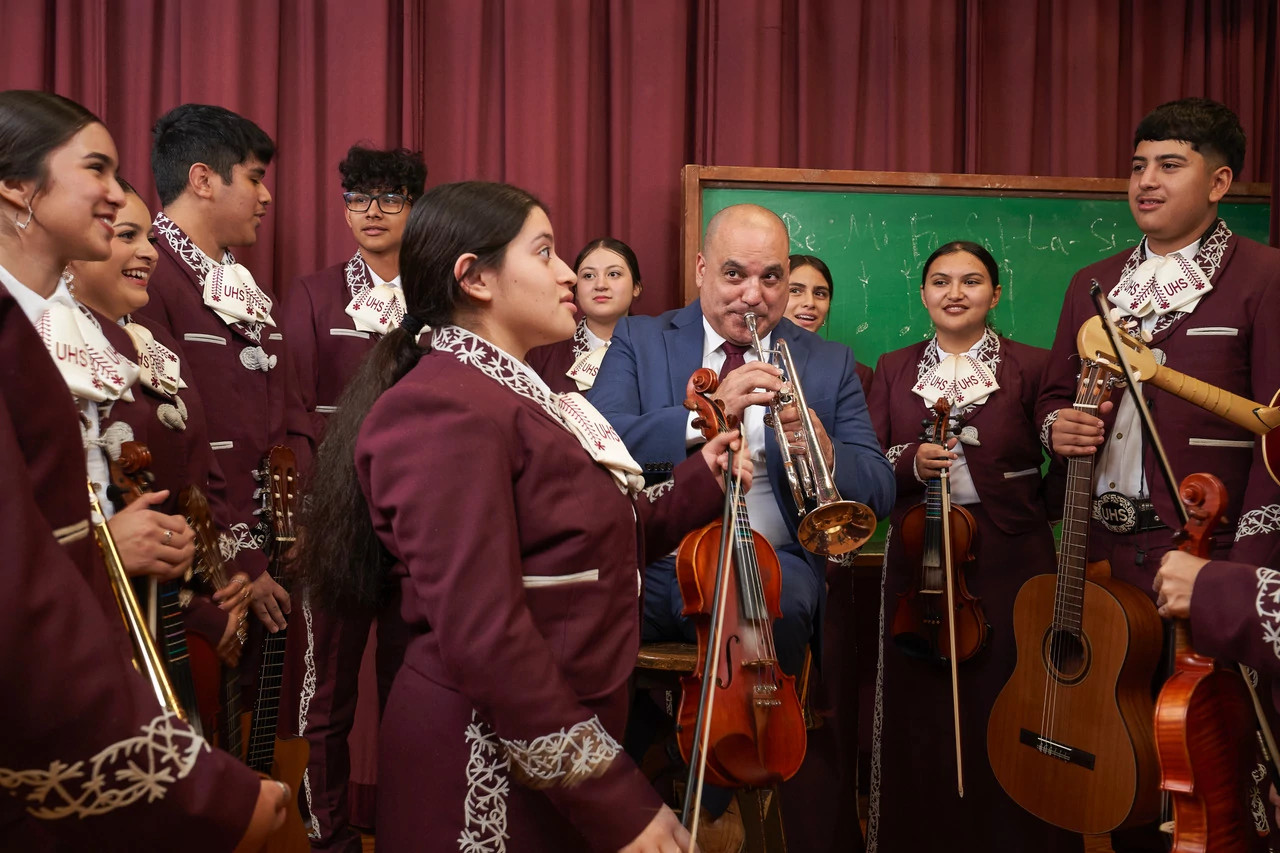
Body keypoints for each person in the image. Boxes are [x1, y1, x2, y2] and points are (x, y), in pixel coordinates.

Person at [299, 180, 751, 851]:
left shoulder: (529, 393)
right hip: (481, 759)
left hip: (551, 742)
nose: (568, 272)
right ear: (474, 277)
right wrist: (621, 802)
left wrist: (701, 477)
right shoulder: (443, 407)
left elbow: (593, 539)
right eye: (545, 252)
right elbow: (485, 634)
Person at [0, 88, 284, 852]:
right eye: (97, 168)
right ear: (18, 188)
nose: (117, 196)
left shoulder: (80, 337)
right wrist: (105, 546)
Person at [589, 203, 895, 847]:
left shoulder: (827, 362)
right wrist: (704, 414)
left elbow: (879, 487)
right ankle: (615, 786)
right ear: (701, 269)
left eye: (772, 278)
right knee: (583, 620)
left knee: (772, 600)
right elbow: (600, 439)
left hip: (774, 573)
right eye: (733, 275)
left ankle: (719, 789)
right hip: (657, 565)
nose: (753, 296)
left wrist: (825, 449)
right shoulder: (642, 340)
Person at [1037, 96, 1280, 851]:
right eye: (1138, 165)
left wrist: (1248, 572)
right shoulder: (1092, 282)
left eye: (1169, 165)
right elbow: (1051, 392)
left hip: (1206, 560)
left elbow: (1276, 436)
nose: (1145, 180)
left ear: (1218, 182)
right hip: (1104, 559)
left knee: (1211, 777)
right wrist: (1057, 425)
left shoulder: (1264, 276)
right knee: (1126, 775)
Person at [863, 241, 1078, 852]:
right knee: (921, 706)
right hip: (920, 559)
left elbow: (1063, 454)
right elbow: (872, 464)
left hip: (1012, 556)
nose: (955, 292)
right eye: (940, 281)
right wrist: (911, 461)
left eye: (972, 280)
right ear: (924, 293)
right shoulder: (895, 367)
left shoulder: (1033, 366)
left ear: (995, 294)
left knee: (1013, 696)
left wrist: (1036, 515)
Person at [279, 144, 426, 851]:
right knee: (326, 698)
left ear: (415, 206)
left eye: (391, 196)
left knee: (413, 692)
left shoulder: (437, 300)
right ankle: (327, 836)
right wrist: (306, 516)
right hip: (335, 521)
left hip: (421, 525)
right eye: (358, 197)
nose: (373, 211)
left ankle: (405, 829)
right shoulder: (309, 295)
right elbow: (291, 411)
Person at [67, 179, 252, 694]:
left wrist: (227, 576)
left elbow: (203, 479)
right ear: (73, 251)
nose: (148, 253)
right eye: (127, 236)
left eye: (149, 238)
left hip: (178, 605)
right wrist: (104, 548)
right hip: (105, 610)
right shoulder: (49, 339)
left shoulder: (155, 338)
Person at [138, 103, 313, 640]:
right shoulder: (147, 274)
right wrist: (240, 560)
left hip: (275, 547)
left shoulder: (248, 286)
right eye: (255, 179)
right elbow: (178, 439)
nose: (265, 197)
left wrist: (295, 520)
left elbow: (288, 411)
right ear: (203, 180)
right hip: (209, 569)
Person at [528, 236, 643, 392]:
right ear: (576, 290)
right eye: (589, 276)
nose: (601, 285)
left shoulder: (660, 350)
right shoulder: (543, 353)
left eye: (614, 274)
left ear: (636, 287)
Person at [785, 253, 873, 392]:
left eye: (820, 293)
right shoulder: (750, 359)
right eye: (795, 290)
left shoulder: (856, 374)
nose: (810, 302)